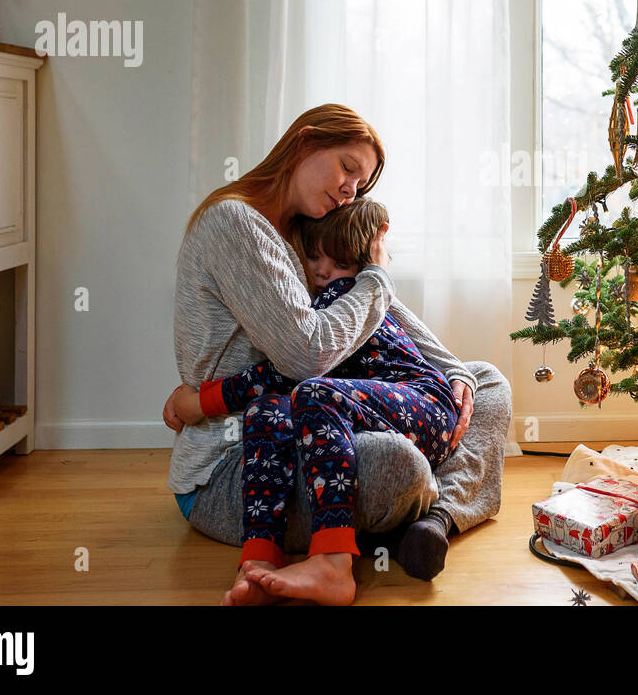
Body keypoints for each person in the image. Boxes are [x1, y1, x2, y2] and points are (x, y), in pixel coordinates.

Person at [165, 104, 511, 604]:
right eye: (348, 168)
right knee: (399, 463)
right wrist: (375, 274)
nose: (351, 189)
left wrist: (454, 372)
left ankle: (435, 518)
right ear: (305, 142)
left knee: (485, 378)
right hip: (244, 462)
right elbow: (307, 356)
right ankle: (425, 507)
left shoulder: (301, 230)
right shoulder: (235, 224)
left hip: (310, 420)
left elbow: (377, 312)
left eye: (361, 184)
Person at [170, 198, 459, 604]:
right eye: (315, 256)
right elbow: (278, 385)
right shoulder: (307, 292)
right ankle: (259, 559)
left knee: (311, 391)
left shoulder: (347, 295)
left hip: (425, 406)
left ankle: (332, 562)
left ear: (363, 268)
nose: (325, 271)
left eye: (340, 263)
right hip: (371, 411)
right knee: (267, 410)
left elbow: (288, 370)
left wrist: (205, 399)